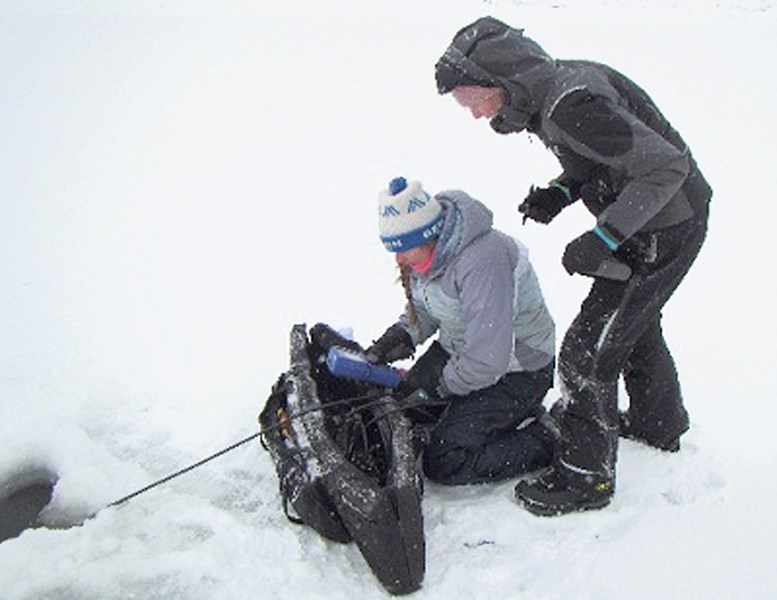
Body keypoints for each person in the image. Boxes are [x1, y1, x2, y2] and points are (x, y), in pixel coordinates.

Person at [435, 16, 713, 515]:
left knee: (588, 351)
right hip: (655, 221)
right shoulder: (555, 90)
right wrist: (561, 192)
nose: (475, 114)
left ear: (506, 80)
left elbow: (665, 166)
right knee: (632, 327)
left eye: (474, 99)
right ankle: (658, 424)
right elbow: (601, 157)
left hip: (665, 227)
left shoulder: (573, 104)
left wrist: (603, 236)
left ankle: (585, 479)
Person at [365, 176, 556, 486]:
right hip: (460, 352)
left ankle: (549, 435)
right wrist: (402, 335)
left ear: (428, 235)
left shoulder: (484, 261)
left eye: (403, 249)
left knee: (445, 458)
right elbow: (428, 309)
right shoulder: (429, 256)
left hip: (517, 370)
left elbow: (488, 360)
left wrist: (439, 387)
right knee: (401, 409)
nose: (398, 259)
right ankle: (495, 415)